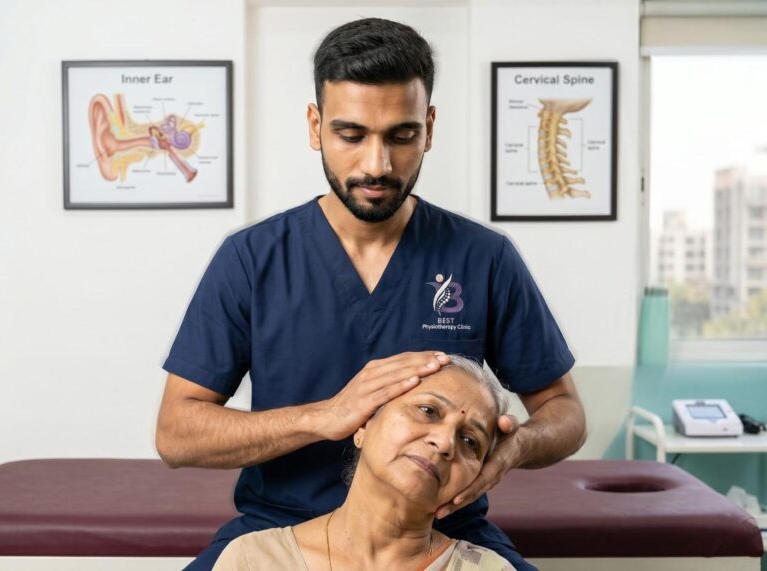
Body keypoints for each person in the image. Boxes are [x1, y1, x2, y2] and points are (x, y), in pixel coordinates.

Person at [156, 17, 586, 571]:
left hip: (441, 534)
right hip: (282, 530)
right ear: (315, 126)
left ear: (429, 127)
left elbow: (565, 410)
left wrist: (513, 450)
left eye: (401, 135)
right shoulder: (253, 259)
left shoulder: (483, 258)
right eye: (351, 135)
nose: (376, 165)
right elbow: (176, 434)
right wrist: (324, 416)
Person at [212, 355, 514, 571]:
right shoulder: (253, 559)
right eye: (427, 410)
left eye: (470, 441)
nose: (446, 442)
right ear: (363, 426)